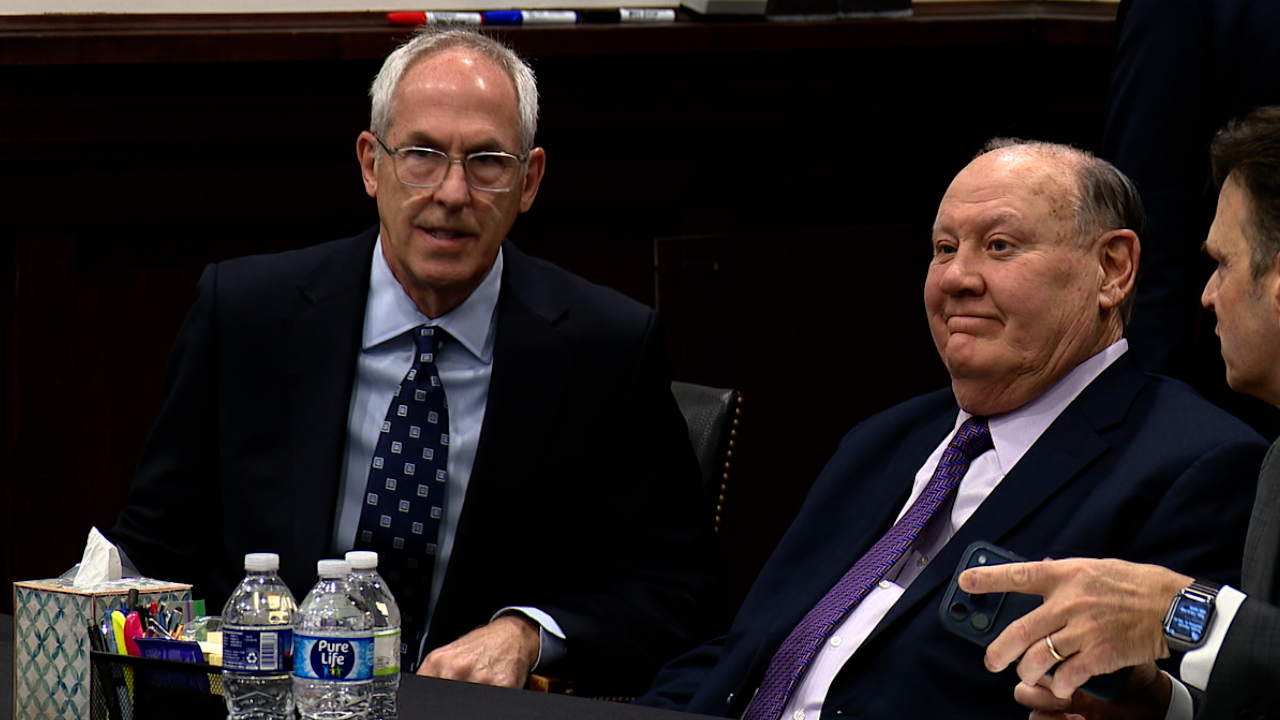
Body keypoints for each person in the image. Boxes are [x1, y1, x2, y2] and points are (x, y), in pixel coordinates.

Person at [105, 27, 717, 695]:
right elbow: (153, 551)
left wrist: (527, 634)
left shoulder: (606, 349)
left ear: (529, 180)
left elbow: (675, 594)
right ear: (372, 164)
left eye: (487, 161)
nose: (452, 193)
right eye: (422, 155)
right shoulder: (247, 315)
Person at [632, 140, 1267, 719]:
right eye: (943, 249)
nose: (957, 278)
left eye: (999, 246)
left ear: (1112, 268)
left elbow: (1158, 702)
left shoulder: (1196, 465)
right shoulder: (882, 440)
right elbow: (746, 649)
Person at [959, 107, 1280, 720]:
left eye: (1222, 263)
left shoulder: (1215, 457)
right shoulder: (1278, 465)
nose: (1208, 296)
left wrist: (1182, 611)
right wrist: (1161, 707)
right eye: (943, 248)